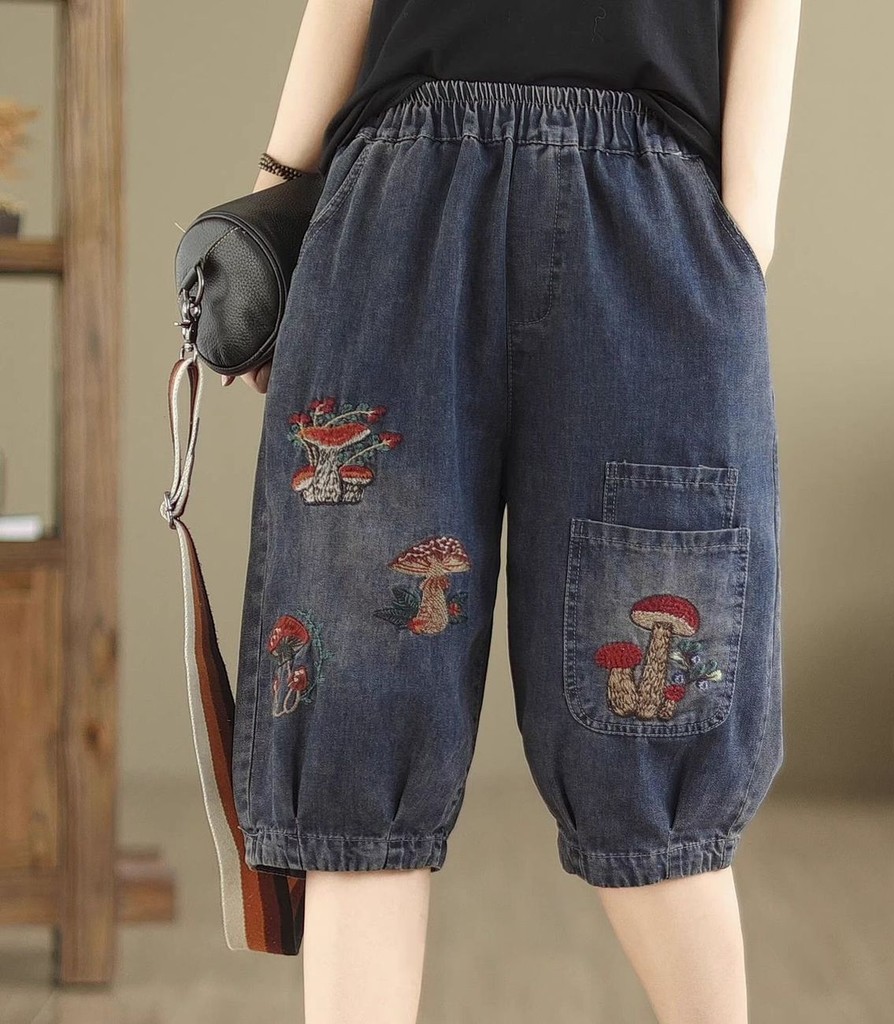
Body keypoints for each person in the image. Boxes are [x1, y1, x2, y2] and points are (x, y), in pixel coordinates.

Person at [222, 1, 800, 1020]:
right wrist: (271, 215)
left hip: (647, 216)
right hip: (398, 202)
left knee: (656, 733)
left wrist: (738, 243)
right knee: (359, 726)